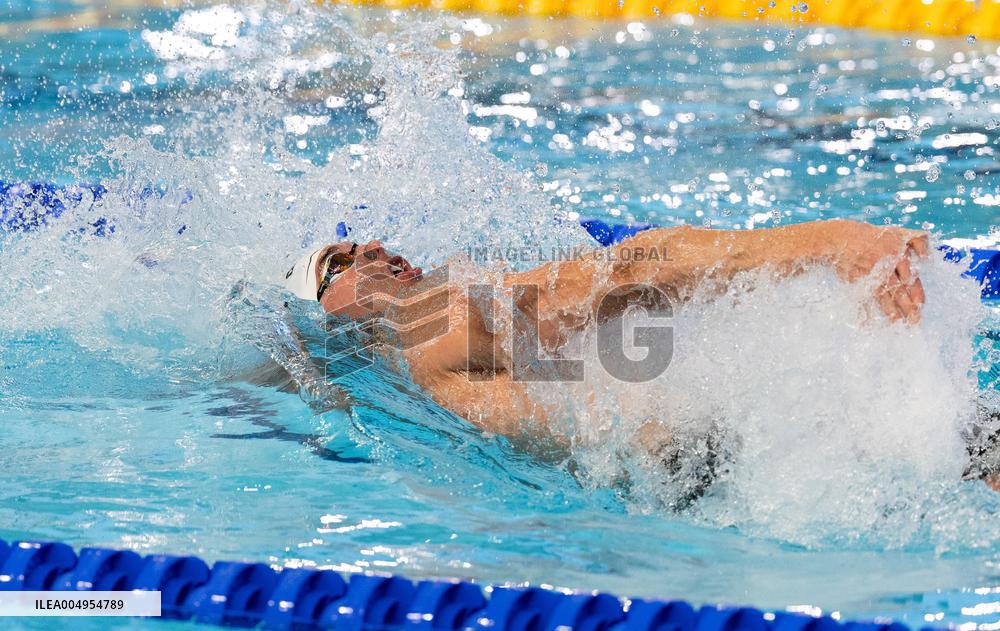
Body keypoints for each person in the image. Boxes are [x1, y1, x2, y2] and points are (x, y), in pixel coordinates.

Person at [283, 219, 929, 441]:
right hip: (742, 433)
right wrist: (829, 241)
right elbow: (627, 269)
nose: (368, 245)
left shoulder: (403, 381)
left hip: (692, 467)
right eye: (338, 262)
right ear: (327, 312)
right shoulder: (430, 321)